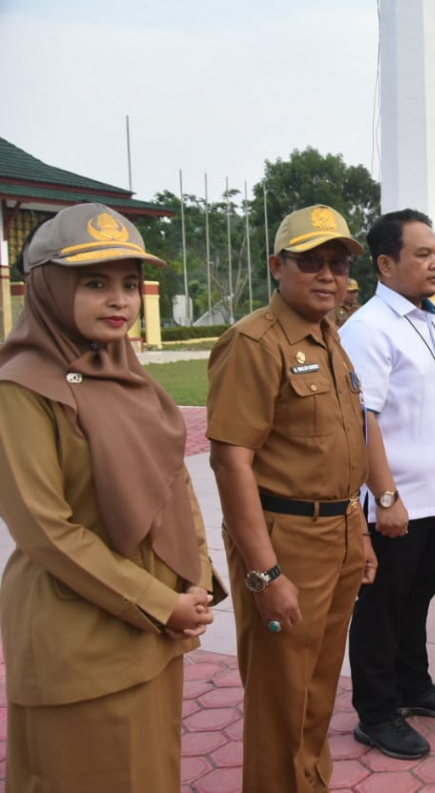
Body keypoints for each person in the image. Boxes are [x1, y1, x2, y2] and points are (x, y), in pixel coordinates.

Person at [0, 203, 223, 791]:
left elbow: (173, 481)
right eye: (94, 283)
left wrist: (194, 576)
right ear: (47, 288)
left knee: (151, 774)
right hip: (81, 638)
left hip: (152, 628)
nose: (119, 299)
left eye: (128, 283)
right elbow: (46, 530)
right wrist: (157, 600)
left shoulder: (128, 375)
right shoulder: (22, 388)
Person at [207, 204, 377, 793]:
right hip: (286, 541)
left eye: (338, 263)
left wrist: (359, 530)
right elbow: (231, 462)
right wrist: (265, 572)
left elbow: (342, 443)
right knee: (283, 700)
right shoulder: (255, 343)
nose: (328, 275)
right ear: (278, 266)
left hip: (339, 534)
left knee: (318, 692)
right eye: (311, 262)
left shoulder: (330, 336)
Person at [341, 208, 435, 760]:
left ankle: (413, 685)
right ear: (385, 262)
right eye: (421, 254)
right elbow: (363, 418)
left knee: (417, 598)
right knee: (380, 609)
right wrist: (385, 496)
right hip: (395, 501)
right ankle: (376, 712)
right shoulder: (369, 329)